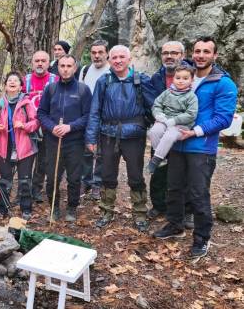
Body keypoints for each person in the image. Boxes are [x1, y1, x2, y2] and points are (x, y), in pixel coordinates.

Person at [153, 36, 237, 259]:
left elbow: (224, 118)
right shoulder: (184, 77)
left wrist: (196, 131)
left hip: (201, 147)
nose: (201, 55)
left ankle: (201, 238)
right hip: (177, 145)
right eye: (197, 51)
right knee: (173, 187)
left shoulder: (223, 83)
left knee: (198, 194)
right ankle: (175, 225)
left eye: (206, 52)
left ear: (215, 55)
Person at [85, 45, 152, 232]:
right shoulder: (104, 81)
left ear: (129, 59)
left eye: (122, 57)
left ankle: (139, 212)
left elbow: (153, 107)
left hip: (134, 135)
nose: (118, 60)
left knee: (136, 175)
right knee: (107, 174)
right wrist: (91, 137)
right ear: (109, 59)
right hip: (108, 134)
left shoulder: (141, 80)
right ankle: (106, 210)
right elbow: (95, 111)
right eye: (114, 57)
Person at [37, 55, 92, 222]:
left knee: (74, 177)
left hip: (75, 141)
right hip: (53, 141)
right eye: (62, 66)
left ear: (75, 68)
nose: (66, 69)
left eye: (69, 66)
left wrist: (70, 126)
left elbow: (88, 115)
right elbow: (41, 113)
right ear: (58, 68)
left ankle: (72, 208)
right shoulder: (51, 89)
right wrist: (52, 127)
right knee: (53, 176)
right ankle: (54, 207)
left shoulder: (83, 90)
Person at [145, 41, 190, 220]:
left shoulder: (191, 76)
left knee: (185, 173)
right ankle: (158, 205)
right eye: (165, 53)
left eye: (174, 53)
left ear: (182, 55)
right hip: (161, 129)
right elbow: (152, 102)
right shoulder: (155, 78)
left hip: (183, 131)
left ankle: (186, 211)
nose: (169, 56)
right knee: (158, 170)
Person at [0, 72, 39, 220]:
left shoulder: (26, 103)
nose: (12, 82)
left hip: (25, 148)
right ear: (5, 85)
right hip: (5, 147)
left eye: (15, 80)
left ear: (20, 86)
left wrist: (23, 125)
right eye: (9, 80)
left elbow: (35, 122)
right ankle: (2, 208)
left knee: (25, 180)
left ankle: (26, 209)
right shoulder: (0, 103)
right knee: (5, 180)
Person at [147, 65, 198, 173]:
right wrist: (158, 114)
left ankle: (156, 160)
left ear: (191, 80)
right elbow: (157, 104)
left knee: (169, 135)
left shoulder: (191, 96)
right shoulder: (167, 92)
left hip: (180, 124)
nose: (181, 81)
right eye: (178, 78)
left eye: (185, 78)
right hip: (165, 119)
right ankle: (161, 157)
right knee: (154, 131)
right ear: (173, 78)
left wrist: (175, 120)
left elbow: (191, 114)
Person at [22, 51, 58, 203]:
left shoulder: (55, 79)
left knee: (43, 160)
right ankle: (24, 190)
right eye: (37, 60)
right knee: (26, 159)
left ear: (48, 62)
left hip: (47, 126)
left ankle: (36, 189)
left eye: (43, 60)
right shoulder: (26, 80)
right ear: (32, 62)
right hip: (29, 126)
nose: (40, 63)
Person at [78, 39, 111, 200]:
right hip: (86, 117)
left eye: (100, 52)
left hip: (105, 117)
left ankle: (98, 183)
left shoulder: (111, 71)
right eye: (94, 53)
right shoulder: (84, 70)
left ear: (107, 53)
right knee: (85, 151)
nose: (97, 56)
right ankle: (86, 181)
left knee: (102, 153)